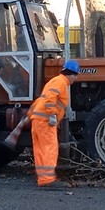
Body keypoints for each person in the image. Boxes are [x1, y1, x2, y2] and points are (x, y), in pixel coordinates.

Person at [27, 59, 80, 188]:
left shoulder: (55, 80)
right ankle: (47, 180)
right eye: (76, 75)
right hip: (45, 121)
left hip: (38, 120)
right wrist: (52, 114)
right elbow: (50, 98)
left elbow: (42, 99)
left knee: (40, 150)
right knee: (50, 148)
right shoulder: (61, 82)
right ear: (71, 73)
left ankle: (43, 178)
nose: (75, 79)